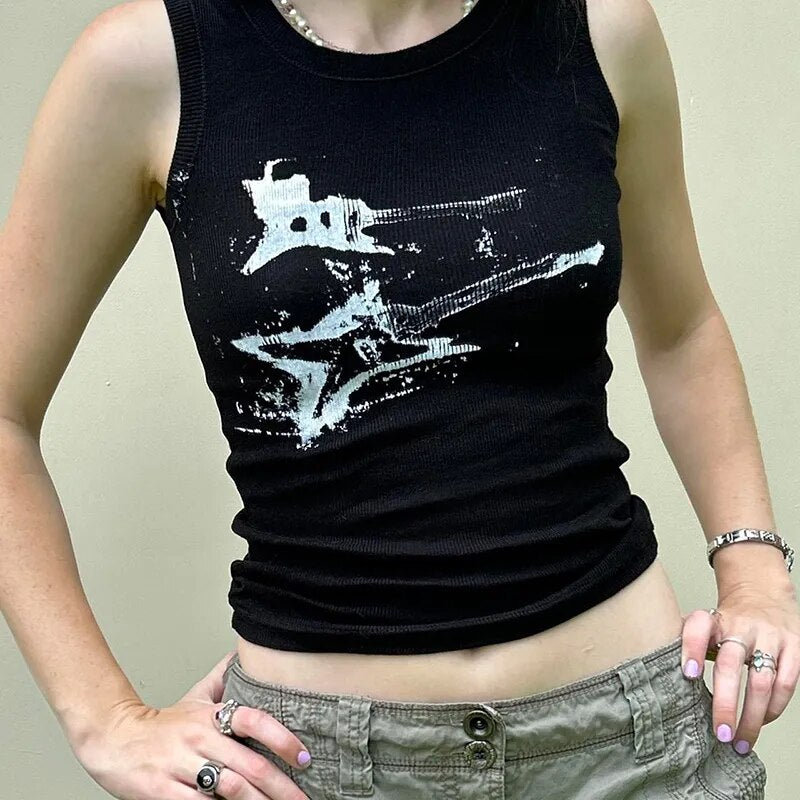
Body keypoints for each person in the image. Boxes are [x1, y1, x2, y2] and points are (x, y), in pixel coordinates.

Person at [1, 0, 797, 798]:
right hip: (316, 768)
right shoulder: (151, 62)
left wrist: (754, 566)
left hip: (633, 749)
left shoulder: (595, 26)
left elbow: (682, 331)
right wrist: (104, 719)